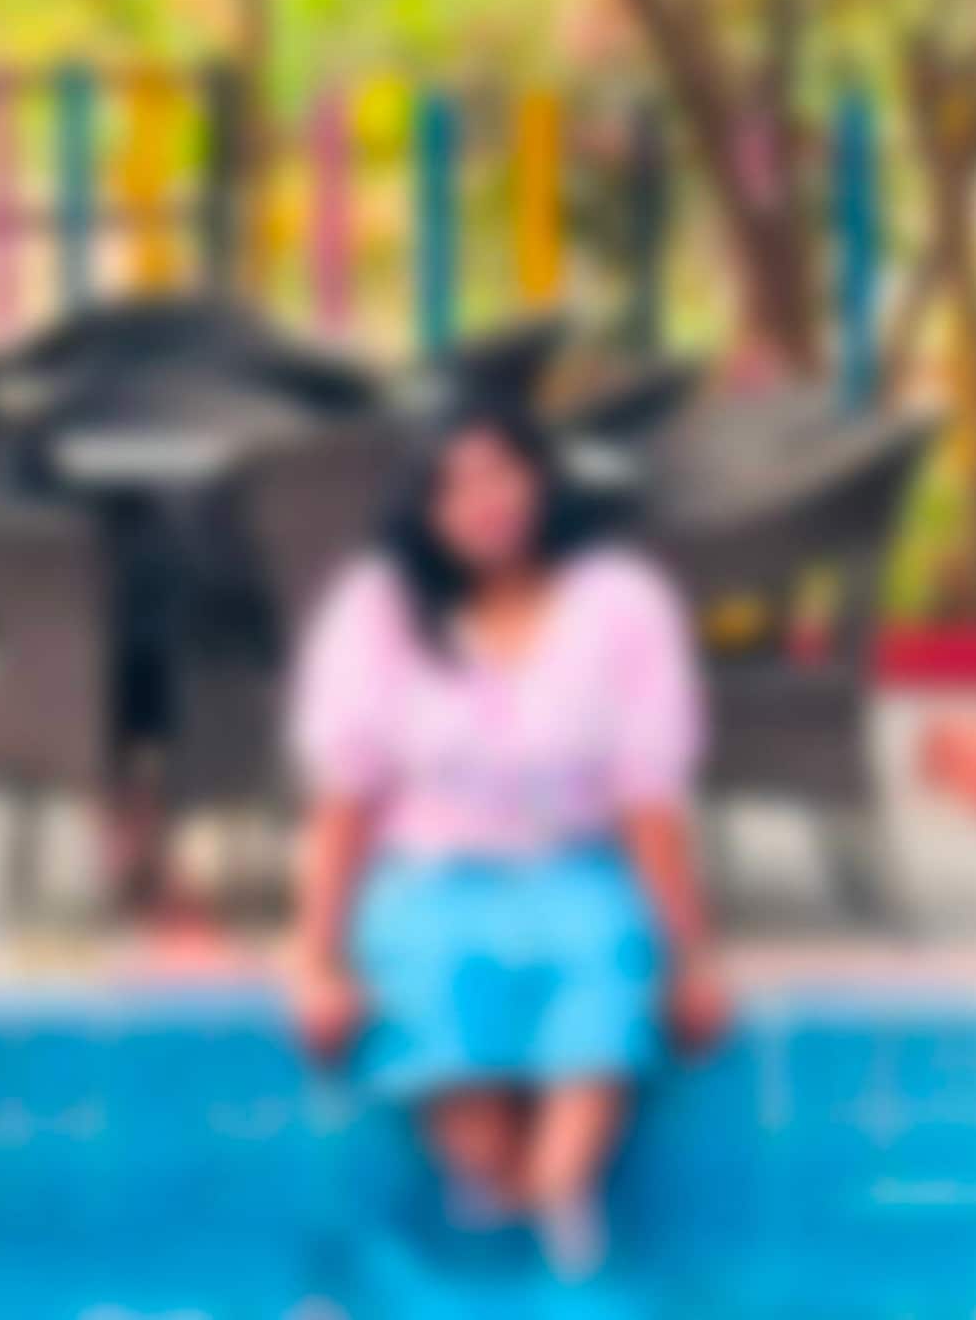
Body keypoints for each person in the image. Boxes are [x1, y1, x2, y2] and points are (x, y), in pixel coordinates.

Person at [286, 400, 728, 1269]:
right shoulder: (378, 607)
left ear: (541, 479)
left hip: (579, 869)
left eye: (501, 474)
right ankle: (512, 1223)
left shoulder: (621, 602)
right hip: (428, 878)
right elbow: (345, 798)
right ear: (422, 507)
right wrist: (316, 958)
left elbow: (650, 798)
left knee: (604, 975)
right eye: (453, 486)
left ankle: (556, 1217)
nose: (484, 502)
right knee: (442, 1022)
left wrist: (691, 959)